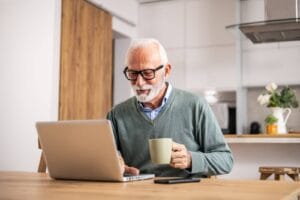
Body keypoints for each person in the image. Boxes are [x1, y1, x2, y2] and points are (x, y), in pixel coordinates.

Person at [107, 38, 234, 177]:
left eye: (148, 73)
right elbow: (106, 157)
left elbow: (225, 161)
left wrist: (191, 160)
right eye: (132, 74)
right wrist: (116, 165)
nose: (139, 82)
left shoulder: (195, 105)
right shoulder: (116, 114)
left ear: (166, 71)